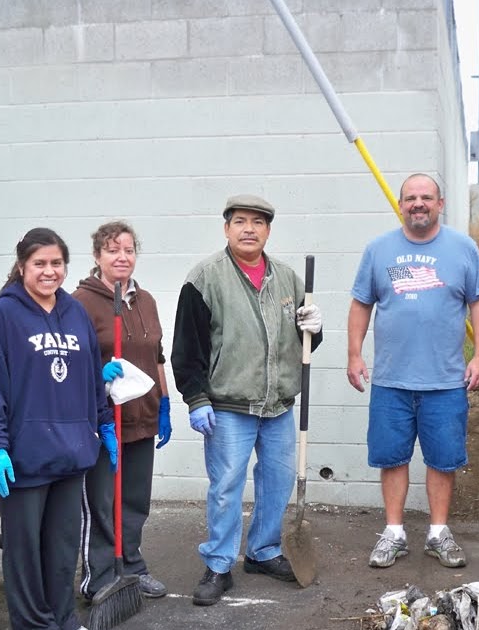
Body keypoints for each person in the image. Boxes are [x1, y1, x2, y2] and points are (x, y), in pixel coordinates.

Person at [172, 194, 324, 606]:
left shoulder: (290, 279)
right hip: (228, 406)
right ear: (226, 228)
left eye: (257, 222)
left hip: (278, 406)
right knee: (226, 487)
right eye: (240, 221)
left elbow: (304, 343)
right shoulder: (205, 278)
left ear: (268, 231)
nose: (248, 229)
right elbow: (186, 348)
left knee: (276, 482)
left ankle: (263, 551)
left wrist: (316, 326)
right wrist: (196, 398)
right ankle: (219, 563)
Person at [0, 227, 113, 630]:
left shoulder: (75, 313)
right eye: (39, 264)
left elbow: (88, 378)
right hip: (23, 460)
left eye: (56, 263)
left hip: (71, 457)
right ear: (22, 267)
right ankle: (34, 625)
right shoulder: (1, 318)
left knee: (61, 550)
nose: (49, 271)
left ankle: (64, 620)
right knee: (25, 554)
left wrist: (102, 424)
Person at [347, 173, 479, 570]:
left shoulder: (463, 249)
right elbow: (362, 303)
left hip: (445, 380)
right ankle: (394, 533)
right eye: (410, 198)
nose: (418, 204)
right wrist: (354, 354)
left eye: (426, 197)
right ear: (400, 205)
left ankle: (437, 533)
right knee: (391, 457)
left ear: (440, 204)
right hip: (391, 379)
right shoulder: (378, 250)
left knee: (443, 460)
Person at [73, 221, 172, 602]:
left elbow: (157, 356)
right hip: (101, 421)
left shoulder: (145, 300)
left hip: (141, 417)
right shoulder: (80, 303)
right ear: (97, 256)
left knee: (134, 499)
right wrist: (97, 378)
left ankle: (131, 565)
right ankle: (98, 577)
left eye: (128, 250)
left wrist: (163, 403)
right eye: (113, 250)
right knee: (101, 502)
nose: (122, 257)